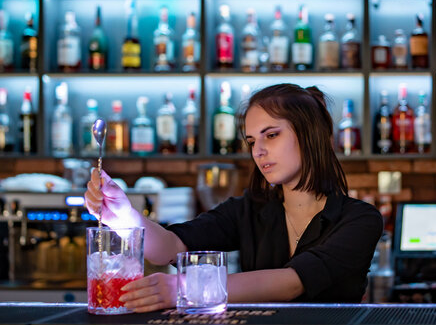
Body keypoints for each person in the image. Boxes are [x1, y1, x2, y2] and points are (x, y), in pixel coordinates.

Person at [85, 83, 383, 312]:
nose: (258, 150)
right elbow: (167, 249)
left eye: (272, 135)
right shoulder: (247, 211)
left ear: (310, 135)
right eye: (252, 140)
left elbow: (293, 283)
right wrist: (122, 215)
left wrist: (184, 287)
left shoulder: (359, 220)